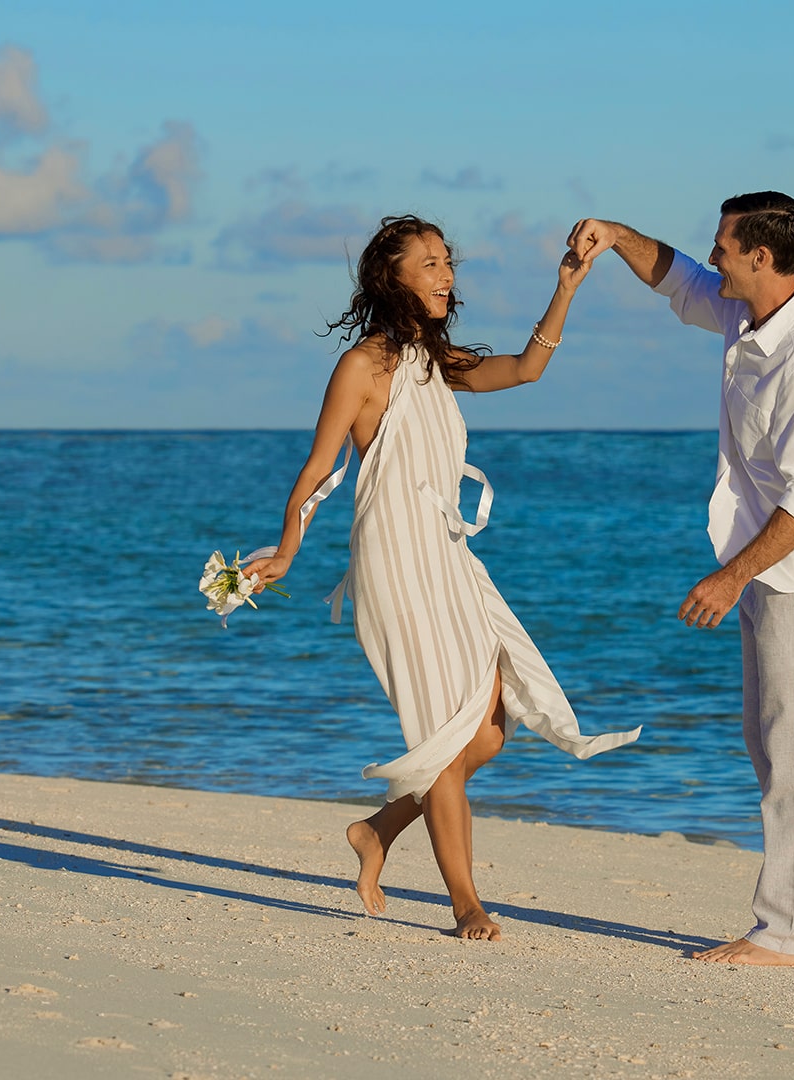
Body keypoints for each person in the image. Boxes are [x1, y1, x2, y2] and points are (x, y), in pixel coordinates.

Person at [244, 215, 640, 941]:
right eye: (427, 263)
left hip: (448, 554)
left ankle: (379, 829)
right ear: (390, 278)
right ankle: (467, 904)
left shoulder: (435, 361)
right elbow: (319, 466)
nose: (444, 274)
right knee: (444, 733)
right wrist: (287, 549)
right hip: (395, 561)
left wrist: (566, 289)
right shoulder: (362, 367)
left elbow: (524, 368)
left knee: (488, 728)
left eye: (446, 261)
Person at [569, 193, 794, 967]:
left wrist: (730, 576)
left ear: (762, 259)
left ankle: (783, 933)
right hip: (765, 557)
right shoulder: (750, 313)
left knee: (793, 750)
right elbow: (677, 280)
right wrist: (615, 236)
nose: (717, 258)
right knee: (773, 744)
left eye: (726, 247)